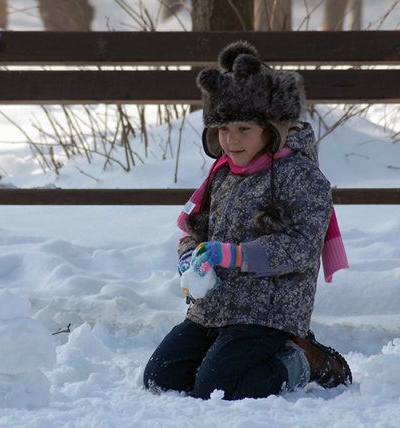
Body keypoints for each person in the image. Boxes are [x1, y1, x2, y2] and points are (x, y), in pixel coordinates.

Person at [143, 41, 352, 400]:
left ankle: (302, 358)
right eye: (223, 130)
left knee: (219, 388)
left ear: (272, 128)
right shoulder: (222, 174)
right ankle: (225, 355)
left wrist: (236, 255)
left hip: (268, 311)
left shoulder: (300, 177)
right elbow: (196, 229)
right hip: (214, 307)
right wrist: (190, 255)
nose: (231, 140)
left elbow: (302, 247)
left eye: (244, 129)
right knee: (161, 378)